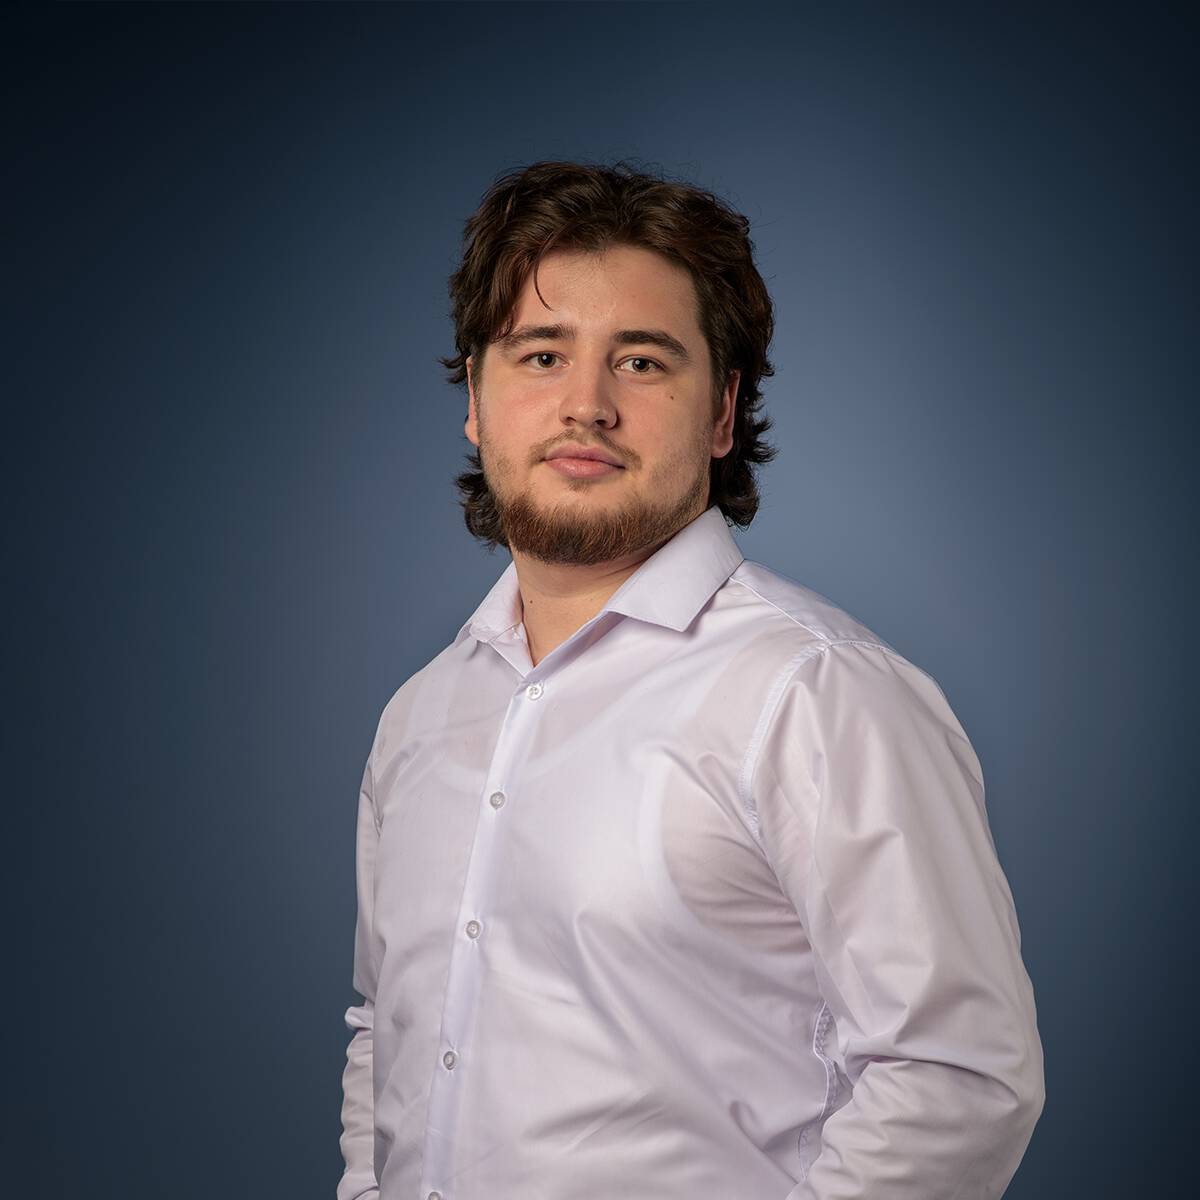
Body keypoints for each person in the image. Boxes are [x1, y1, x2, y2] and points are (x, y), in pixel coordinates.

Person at [336, 160, 1045, 1200]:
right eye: (542, 355)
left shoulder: (817, 694)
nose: (586, 405)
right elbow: (385, 1033)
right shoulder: (422, 717)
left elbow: (958, 1079)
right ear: (476, 401)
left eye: (641, 361)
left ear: (722, 412)